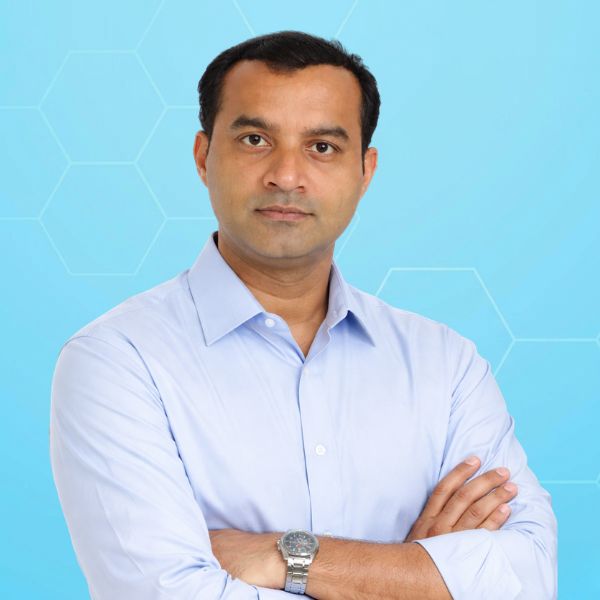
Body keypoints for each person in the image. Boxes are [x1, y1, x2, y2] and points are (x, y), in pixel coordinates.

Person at [50, 31, 557, 599]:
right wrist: (414, 575)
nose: (286, 175)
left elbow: (528, 579)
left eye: (322, 147)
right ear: (203, 157)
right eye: (255, 139)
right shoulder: (117, 362)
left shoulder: (446, 366)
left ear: (365, 171)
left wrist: (287, 557)